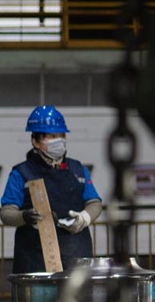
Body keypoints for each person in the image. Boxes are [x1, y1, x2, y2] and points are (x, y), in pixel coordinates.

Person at [0, 105, 103, 273]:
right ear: (35, 141)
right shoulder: (21, 173)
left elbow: (95, 202)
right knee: (39, 300)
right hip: (35, 259)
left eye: (62, 135)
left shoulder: (77, 169)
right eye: (52, 136)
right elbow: (6, 213)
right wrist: (24, 216)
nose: (59, 140)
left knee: (76, 299)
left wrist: (84, 218)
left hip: (76, 255)